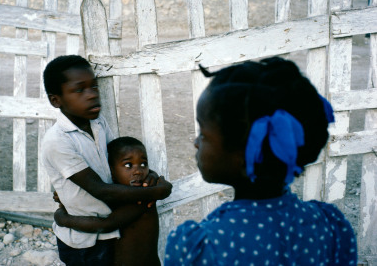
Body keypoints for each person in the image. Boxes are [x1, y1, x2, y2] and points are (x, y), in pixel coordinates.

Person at [165, 57, 357, 265]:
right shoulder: (330, 226)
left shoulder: (199, 248)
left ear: (243, 154)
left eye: (203, 133)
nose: (196, 142)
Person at [42, 55, 172, 265]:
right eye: (80, 90)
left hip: (111, 228)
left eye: (94, 87)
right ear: (56, 100)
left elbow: (118, 159)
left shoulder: (98, 123)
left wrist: (151, 177)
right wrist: (157, 191)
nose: (92, 95)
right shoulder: (57, 141)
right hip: (83, 240)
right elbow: (99, 189)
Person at [54, 136, 161, 266]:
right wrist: (67, 197)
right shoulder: (119, 195)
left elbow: (105, 225)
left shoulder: (142, 200)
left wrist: (62, 218)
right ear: (111, 171)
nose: (138, 171)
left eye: (143, 164)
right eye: (128, 165)